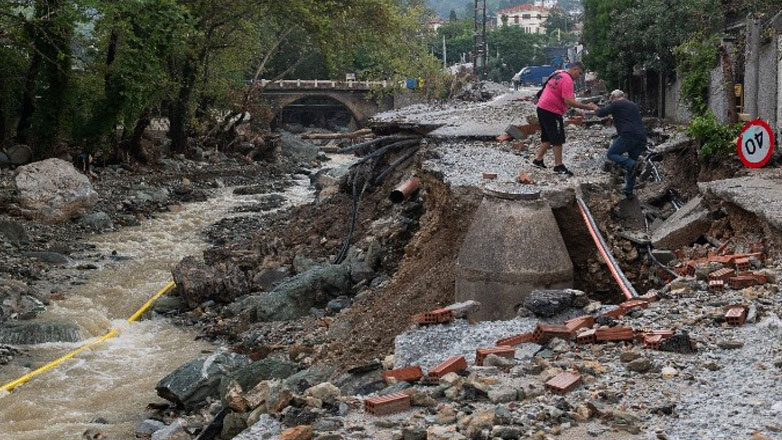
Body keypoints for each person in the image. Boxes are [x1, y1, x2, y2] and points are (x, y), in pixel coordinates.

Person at [532, 61, 595, 176]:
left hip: (542, 107)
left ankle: (538, 159)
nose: (579, 76)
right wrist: (586, 107)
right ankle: (558, 166)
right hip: (552, 111)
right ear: (575, 69)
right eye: (580, 73)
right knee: (557, 138)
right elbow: (568, 101)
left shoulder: (558, 72)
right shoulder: (567, 80)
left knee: (547, 136)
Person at [594, 89, 648, 198]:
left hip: (628, 135)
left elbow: (601, 113)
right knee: (631, 165)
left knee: (611, 154)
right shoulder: (632, 104)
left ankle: (632, 165)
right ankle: (629, 191)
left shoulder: (616, 103)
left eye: (611, 99)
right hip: (641, 137)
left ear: (613, 97)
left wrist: (593, 107)